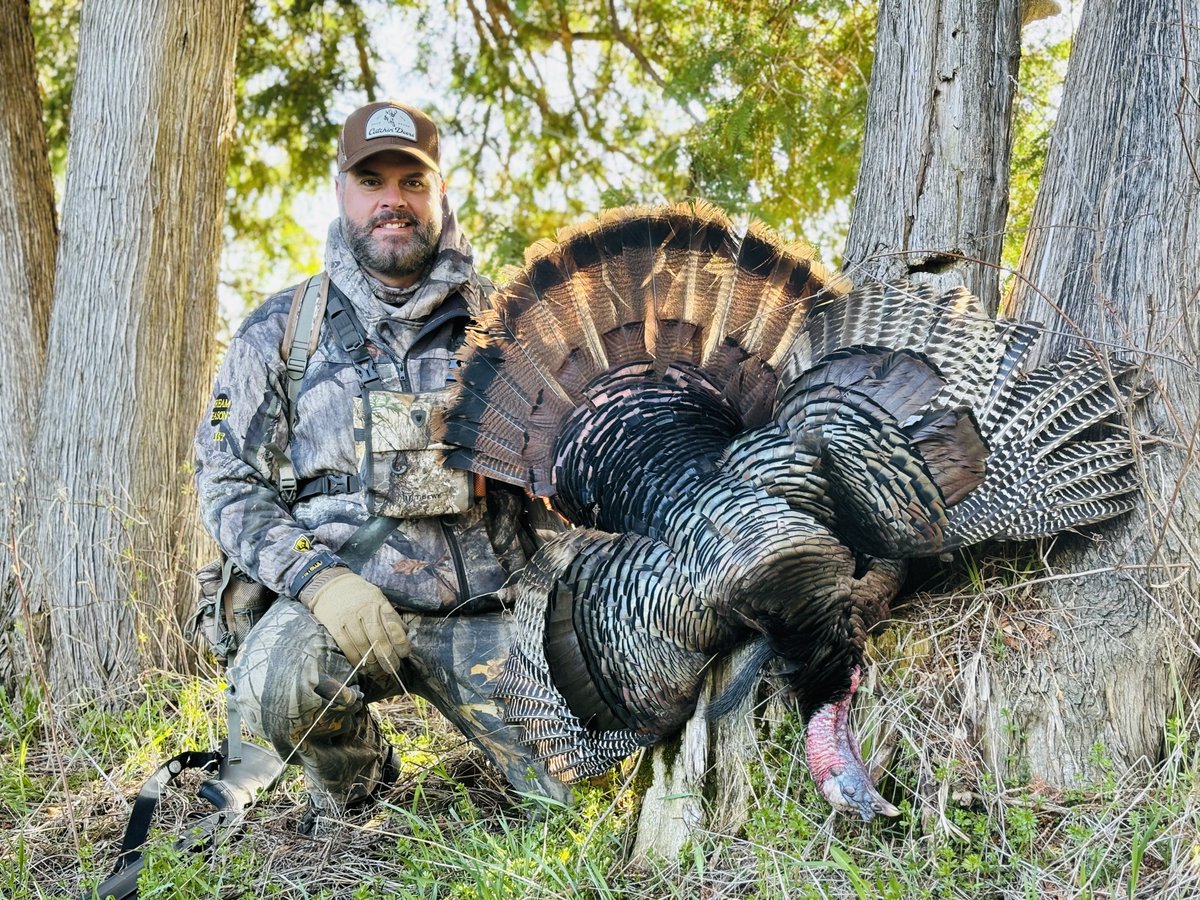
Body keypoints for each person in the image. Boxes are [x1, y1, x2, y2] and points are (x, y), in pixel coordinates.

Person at [194, 100, 567, 833]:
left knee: (573, 807)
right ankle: (361, 783)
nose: (392, 200)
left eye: (411, 180)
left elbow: (568, 485)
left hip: (488, 617)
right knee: (277, 686)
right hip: (341, 611)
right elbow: (227, 479)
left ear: (440, 191)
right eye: (372, 179)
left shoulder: (508, 323)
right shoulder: (282, 330)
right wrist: (319, 582)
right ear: (342, 191)